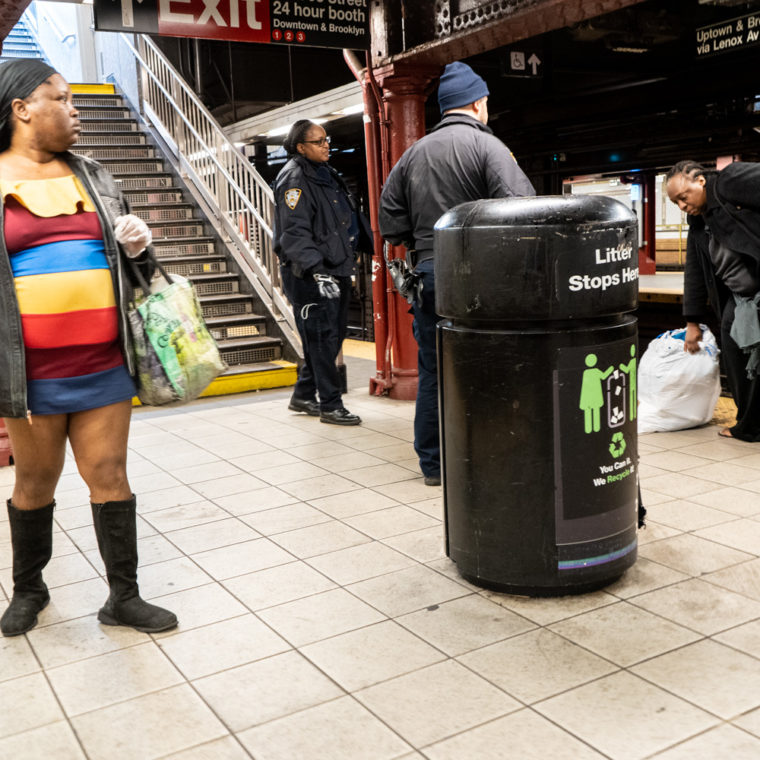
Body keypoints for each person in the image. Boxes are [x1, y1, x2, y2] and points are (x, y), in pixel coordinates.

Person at [0, 59, 177, 636]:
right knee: (34, 484)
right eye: (62, 98)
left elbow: (133, 263)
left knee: (110, 474)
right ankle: (30, 589)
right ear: (22, 109)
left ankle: (123, 597)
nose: (75, 110)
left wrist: (139, 245)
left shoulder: (95, 176)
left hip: (103, 361)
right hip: (31, 373)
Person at [379, 61, 536, 485]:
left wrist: (422, 243)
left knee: (434, 370)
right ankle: (483, 455)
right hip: (480, 279)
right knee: (487, 367)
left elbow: (390, 221)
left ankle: (434, 465)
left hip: (429, 275)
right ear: (478, 103)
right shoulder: (488, 148)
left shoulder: (411, 155)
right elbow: (521, 208)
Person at [273, 119, 370, 425]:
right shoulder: (295, 179)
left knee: (332, 336)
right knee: (321, 338)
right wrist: (318, 271)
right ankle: (330, 404)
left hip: (335, 268)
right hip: (309, 274)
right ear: (300, 147)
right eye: (318, 141)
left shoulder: (326, 174)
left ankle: (303, 395)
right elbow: (294, 233)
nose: (326, 144)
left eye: (326, 139)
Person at [665, 159, 760, 441]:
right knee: (735, 359)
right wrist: (692, 321)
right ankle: (748, 422)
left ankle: (751, 427)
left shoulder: (729, 181)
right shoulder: (698, 222)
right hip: (738, 297)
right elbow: (694, 273)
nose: (682, 206)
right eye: (675, 203)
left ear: (701, 181)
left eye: (684, 197)